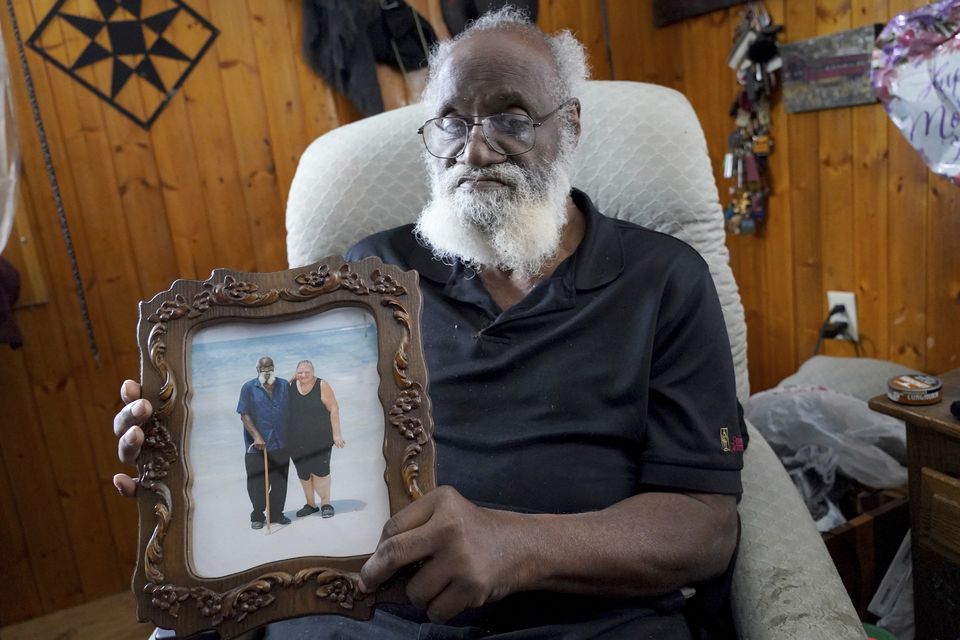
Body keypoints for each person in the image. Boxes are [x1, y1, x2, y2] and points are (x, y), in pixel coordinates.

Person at [113, 8, 747, 638]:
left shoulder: (664, 280)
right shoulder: (370, 275)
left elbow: (705, 526)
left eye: (511, 118)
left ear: (571, 126)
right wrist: (188, 455)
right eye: (451, 121)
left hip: (580, 620)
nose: (474, 149)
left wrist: (517, 545)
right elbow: (299, 433)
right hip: (363, 616)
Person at [237, 356, 292, 529]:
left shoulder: (283, 385)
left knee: (280, 482)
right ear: (257, 370)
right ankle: (257, 515)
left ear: (274, 368)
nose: (267, 371)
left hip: (281, 443)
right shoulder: (248, 387)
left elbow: (294, 409)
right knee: (257, 484)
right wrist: (257, 436)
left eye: (270, 367)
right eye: (263, 368)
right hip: (257, 446)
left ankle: (276, 514)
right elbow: (244, 414)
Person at [288, 359, 346, 518]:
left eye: (307, 371)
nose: (303, 375)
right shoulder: (291, 386)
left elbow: (334, 409)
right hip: (296, 441)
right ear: (295, 373)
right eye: (300, 372)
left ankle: (326, 503)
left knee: (321, 474)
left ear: (313, 372)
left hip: (321, 440)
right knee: (304, 474)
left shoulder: (322, 385)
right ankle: (310, 505)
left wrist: (337, 434)